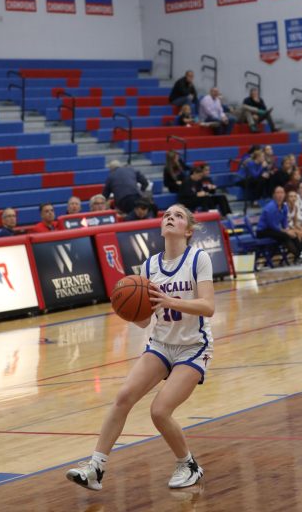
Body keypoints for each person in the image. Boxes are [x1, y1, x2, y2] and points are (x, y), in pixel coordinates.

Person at [66, 204, 214, 491]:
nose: (170, 218)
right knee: (123, 397)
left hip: (193, 347)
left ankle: (189, 465)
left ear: (189, 229)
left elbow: (208, 307)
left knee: (159, 411)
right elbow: (146, 320)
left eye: (178, 216)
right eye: (166, 215)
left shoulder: (199, 259)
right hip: (160, 343)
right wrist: (127, 309)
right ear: (162, 227)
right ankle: (96, 467)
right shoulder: (149, 266)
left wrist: (171, 301)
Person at [256, 185, 302, 261]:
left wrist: (287, 229)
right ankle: (298, 255)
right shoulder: (270, 208)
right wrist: (286, 232)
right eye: (278, 192)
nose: (280, 195)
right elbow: (272, 225)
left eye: (282, 192)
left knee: (293, 234)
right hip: (263, 231)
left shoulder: (284, 207)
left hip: (273, 230)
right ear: (274, 195)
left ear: (284, 195)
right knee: (285, 236)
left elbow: (284, 221)